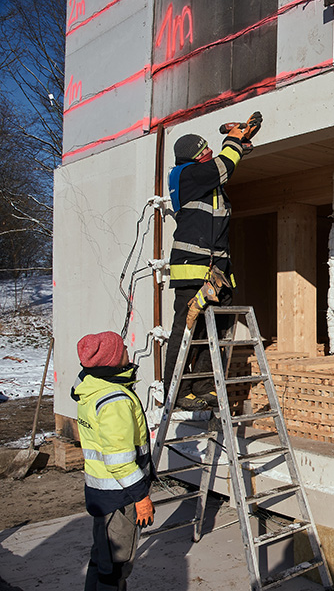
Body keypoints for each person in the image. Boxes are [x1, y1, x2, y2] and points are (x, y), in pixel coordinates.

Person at [162, 113, 261, 410]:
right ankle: (176, 391)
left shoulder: (208, 183)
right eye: (204, 151)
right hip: (192, 269)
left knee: (214, 331)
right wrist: (233, 141)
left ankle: (203, 386)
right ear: (193, 158)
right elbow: (223, 167)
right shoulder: (186, 175)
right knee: (186, 331)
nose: (209, 153)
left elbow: (223, 166)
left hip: (217, 273)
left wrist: (239, 145)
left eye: (210, 148)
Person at [72, 331, 154, 591]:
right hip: (120, 497)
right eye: (123, 351)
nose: (128, 354)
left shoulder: (90, 386)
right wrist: (141, 497)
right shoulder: (114, 401)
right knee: (116, 567)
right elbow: (119, 461)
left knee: (101, 557)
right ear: (113, 359)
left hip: (101, 493)